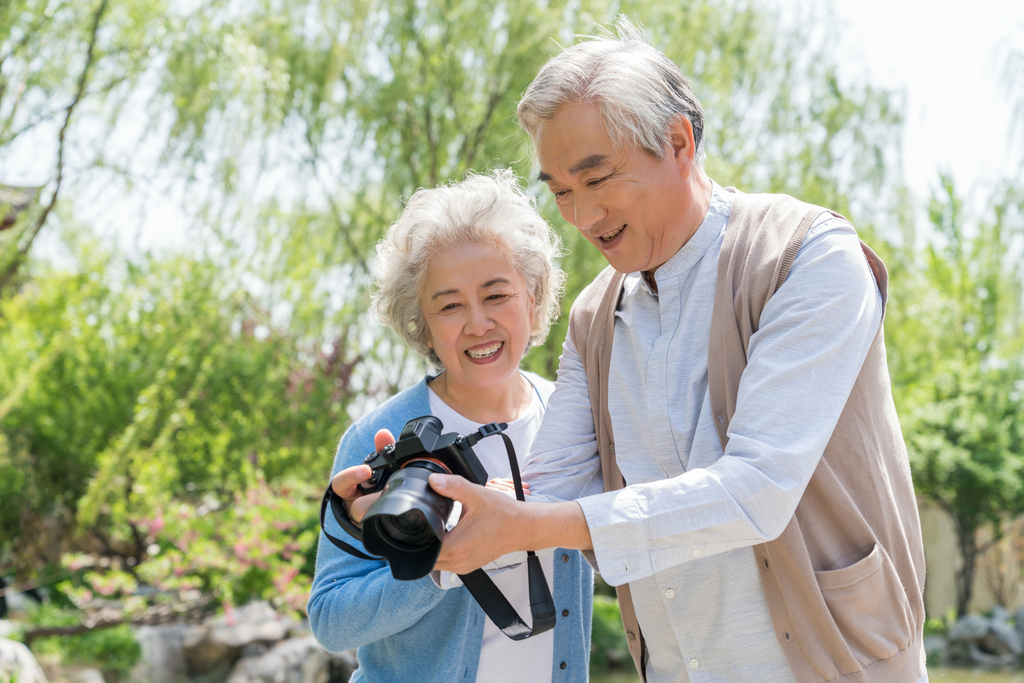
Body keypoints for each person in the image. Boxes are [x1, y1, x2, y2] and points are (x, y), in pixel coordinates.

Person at [414, 18, 928, 683]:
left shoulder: (809, 257)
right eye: (562, 192)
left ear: (679, 142)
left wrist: (529, 521)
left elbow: (756, 490)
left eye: (598, 179)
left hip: (830, 665)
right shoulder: (595, 316)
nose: (582, 217)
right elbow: (547, 492)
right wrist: (428, 505)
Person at [307, 170, 594, 683]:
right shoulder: (382, 437)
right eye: (450, 305)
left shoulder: (572, 417)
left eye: (497, 295)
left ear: (533, 298)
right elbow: (331, 621)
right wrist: (442, 563)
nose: (478, 323)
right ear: (422, 324)